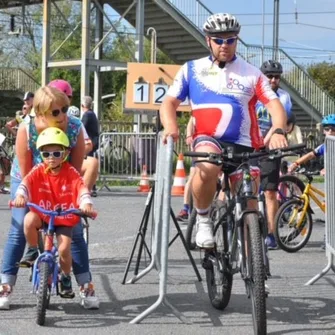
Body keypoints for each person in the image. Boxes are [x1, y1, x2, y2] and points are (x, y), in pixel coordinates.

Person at [160, 13, 288, 249]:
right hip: (209, 139)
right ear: (208, 40)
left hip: (246, 145)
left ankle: (255, 273)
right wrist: (171, 126)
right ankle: (203, 218)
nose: (225, 45)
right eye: (219, 40)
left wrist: (279, 129)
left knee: (249, 204)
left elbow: (275, 106)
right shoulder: (192, 69)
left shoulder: (252, 73)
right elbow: (168, 103)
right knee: (207, 167)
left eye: (230, 40)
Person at [0, 85, 99, 310]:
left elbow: (74, 173)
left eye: (65, 109)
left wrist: (78, 201)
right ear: (41, 112)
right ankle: (6, 285)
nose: (63, 116)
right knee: (19, 227)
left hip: (62, 177)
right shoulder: (27, 128)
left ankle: (85, 285)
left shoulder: (75, 127)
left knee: (73, 229)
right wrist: (27, 199)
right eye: (56, 112)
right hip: (29, 178)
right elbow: (26, 174)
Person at [13, 127, 95, 298]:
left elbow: (81, 188)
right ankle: (33, 249)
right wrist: (20, 195)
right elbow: (26, 182)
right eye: (46, 154)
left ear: (65, 153)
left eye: (56, 154)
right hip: (43, 215)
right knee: (28, 220)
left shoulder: (70, 172)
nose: (51, 158)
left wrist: (86, 203)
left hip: (63, 218)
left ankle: (65, 277)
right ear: (41, 154)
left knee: (65, 248)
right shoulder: (38, 170)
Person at [256, 60, 293, 250]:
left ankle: (270, 233)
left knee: (270, 192)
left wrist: (266, 140)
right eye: (269, 76)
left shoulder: (284, 97)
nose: (273, 80)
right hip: (251, 145)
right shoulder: (253, 92)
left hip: (270, 148)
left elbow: (280, 122)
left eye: (276, 77)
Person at [48, 82, 99, 195]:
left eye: (68, 99)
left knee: (92, 163)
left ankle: (79, 198)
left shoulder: (75, 122)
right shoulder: (37, 121)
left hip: (65, 160)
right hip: (43, 163)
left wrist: (71, 154)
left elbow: (88, 144)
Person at [177, 117, 196, 221]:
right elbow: (191, 121)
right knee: (192, 177)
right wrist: (189, 136)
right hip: (201, 145)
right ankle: (185, 208)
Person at [81, 96, 100, 196]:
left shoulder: (87, 115)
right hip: (93, 141)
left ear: (82, 105)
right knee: (91, 163)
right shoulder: (92, 114)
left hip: (89, 143)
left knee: (87, 163)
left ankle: (90, 187)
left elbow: (80, 127)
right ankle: (92, 187)